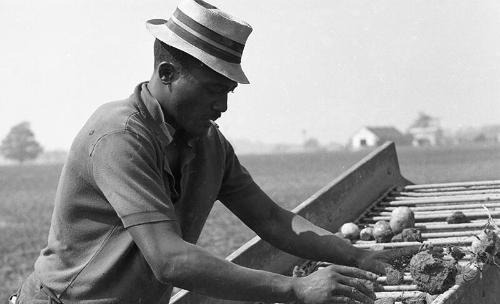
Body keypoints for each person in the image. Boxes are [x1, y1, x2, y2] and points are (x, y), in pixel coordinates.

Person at [14, 1, 414, 303]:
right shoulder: (119, 136)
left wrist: (356, 256)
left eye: (229, 93)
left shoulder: (208, 143)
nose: (223, 107)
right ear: (167, 73)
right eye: (213, 90)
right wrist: (296, 289)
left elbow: (274, 220)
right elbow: (169, 259)